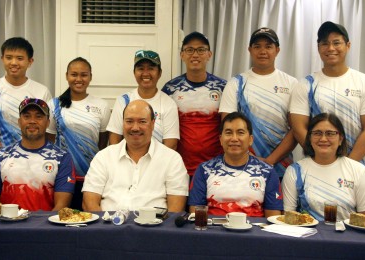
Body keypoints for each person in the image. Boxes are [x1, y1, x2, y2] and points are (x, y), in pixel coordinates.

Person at [290, 21, 365, 162]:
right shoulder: (305, 85)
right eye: (325, 43)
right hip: (316, 164)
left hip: (353, 164)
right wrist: (321, 159)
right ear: (319, 47)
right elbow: (298, 127)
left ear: (348, 45)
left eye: (337, 43)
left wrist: (348, 164)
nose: (331, 48)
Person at [0, 37, 52, 188]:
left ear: (30, 61)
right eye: (9, 57)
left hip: (31, 163)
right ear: (2, 59)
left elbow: (46, 132)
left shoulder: (41, 91)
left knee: (29, 210)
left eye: (20, 58)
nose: (14, 63)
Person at [219, 27, 298, 180]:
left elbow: (296, 129)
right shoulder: (236, 83)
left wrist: (270, 160)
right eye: (257, 46)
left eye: (268, 46)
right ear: (249, 50)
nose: (263, 51)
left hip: (281, 167)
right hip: (242, 167)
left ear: (277, 50)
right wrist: (247, 159)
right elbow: (227, 128)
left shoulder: (291, 83)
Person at [82, 100, 188, 212]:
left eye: (142, 122)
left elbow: (176, 209)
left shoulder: (172, 159)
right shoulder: (103, 157)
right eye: (129, 121)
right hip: (108, 226)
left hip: (155, 227)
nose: (135, 128)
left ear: (152, 124)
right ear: (122, 123)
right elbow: (89, 204)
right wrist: (106, 228)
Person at [282, 113, 365, 220]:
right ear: (309, 138)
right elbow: (287, 217)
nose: (323, 139)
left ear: (340, 139)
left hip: (348, 235)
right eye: (317, 133)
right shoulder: (294, 171)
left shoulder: (358, 170)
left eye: (330, 133)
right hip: (307, 235)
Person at [0, 98, 76, 211]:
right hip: (7, 226)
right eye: (27, 116)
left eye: (39, 116)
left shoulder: (63, 158)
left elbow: (61, 207)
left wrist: (44, 227)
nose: (32, 121)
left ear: (48, 123)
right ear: (19, 121)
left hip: (46, 226)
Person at [188, 112, 283, 217]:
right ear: (220, 139)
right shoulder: (204, 170)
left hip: (253, 232)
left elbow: (273, 218)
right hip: (214, 231)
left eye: (240, 132)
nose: (234, 139)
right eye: (228, 133)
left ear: (250, 139)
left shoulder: (267, 172)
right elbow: (196, 215)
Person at [46, 57, 111, 210]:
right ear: (66, 76)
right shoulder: (54, 105)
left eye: (84, 75)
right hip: (62, 176)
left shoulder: (101, 105)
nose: (79, 79)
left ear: (90, 77)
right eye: (74, 74)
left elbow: (102, 144)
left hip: (92, 176)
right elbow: (50, 142)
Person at [162, 32, 226, 178]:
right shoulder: (170, 88)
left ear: (209, 54)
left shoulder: (223, 87)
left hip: (216, 169)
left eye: (201, 50)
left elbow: (228, 127)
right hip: (179, 168)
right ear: (182, 55)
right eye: (189, 50)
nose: (195, 54)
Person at [107, 50, 180, 150]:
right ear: (134, 72)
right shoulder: (123, 100)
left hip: (158, 162)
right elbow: (114, 139)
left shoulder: (168, 103)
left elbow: (171, 145)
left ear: (159, 73)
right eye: (141, 69)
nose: (145, 73)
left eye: (151, 68)